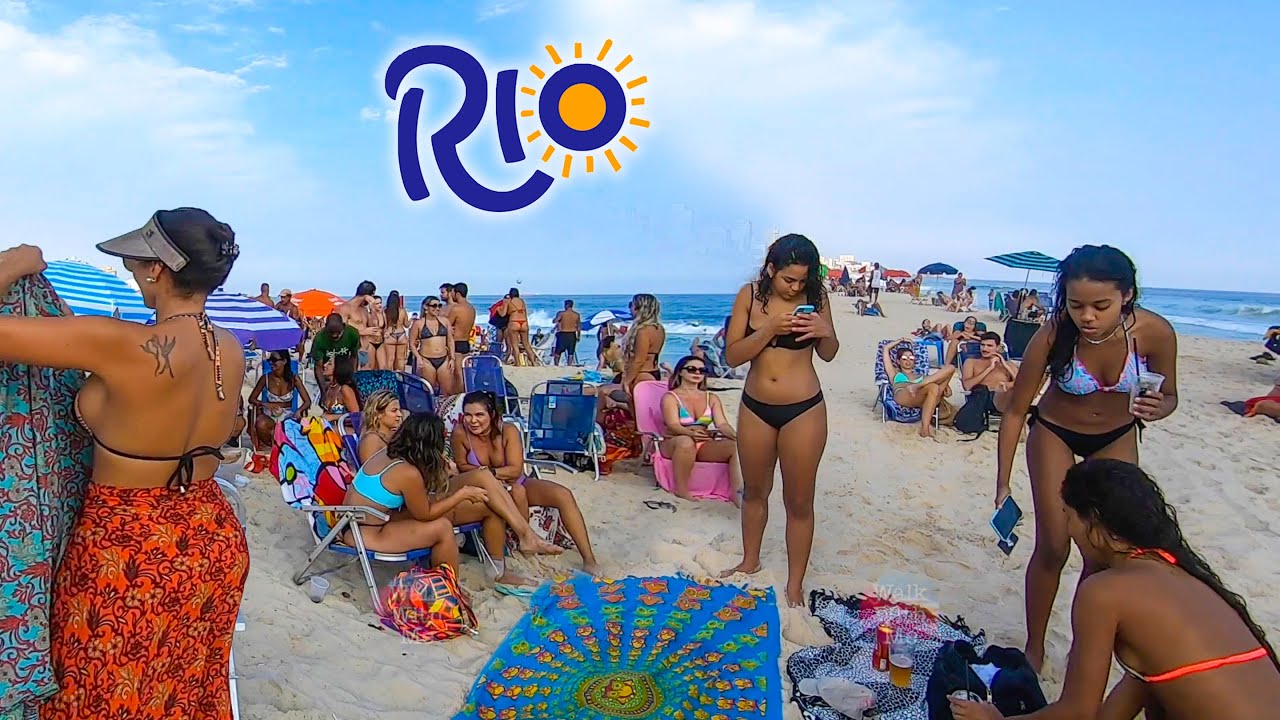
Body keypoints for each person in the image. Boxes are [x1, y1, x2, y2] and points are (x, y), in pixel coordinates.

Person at [0, 209, 249, 717]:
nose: (134, 276)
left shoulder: (120, 344)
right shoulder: (229, 348)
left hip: (127, 545)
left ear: (158, 270)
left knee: (97, 690)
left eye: (136, 266)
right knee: (179, 692)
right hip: (210, 538)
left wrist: (17, 262)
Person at [951, 459, 1280, 720]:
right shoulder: (1178, 573)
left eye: (1068, 516)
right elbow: (1130, 694)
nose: (1067, 529)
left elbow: (1078, 712)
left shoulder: (1104, 592)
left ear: (1092, 520)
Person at [995, 244, 1179, 673]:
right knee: (1054, 545)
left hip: (1115, 435)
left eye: (1101, 305)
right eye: (1077, 305)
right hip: (1056, 432)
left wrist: (1160, 407)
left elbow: (1170, 396)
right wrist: (1003, 483)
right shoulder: (1055, 332)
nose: (1088, 316)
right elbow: (1016, 410)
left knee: (1105, 551)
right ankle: (1034, 648)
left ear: (1127, 295)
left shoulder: (1155, 334)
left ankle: (1087, 648)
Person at [719, 234, 839, 607]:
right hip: (756, 406)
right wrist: (770, 328)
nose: (795, 287)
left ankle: (795, 585)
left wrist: (825, 332)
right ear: (771, 269)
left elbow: (830, 353)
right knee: (755, 491)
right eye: (789, 279)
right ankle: (750, 560)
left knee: (799, 501)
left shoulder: (817, 299)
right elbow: (733, 356)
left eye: (802, 280)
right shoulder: (750, 295)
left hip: (804, 407)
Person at [343, 412, 538, 589]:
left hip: (380, 517)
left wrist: (446, 474)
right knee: (442, 528)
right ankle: (448, 590)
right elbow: (425, 514)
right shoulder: (407, 472)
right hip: (366, 532)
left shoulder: (390, 454)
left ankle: (497, 571)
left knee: (488, 505)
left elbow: (420, 496)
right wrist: (460, 495)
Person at [451, 391, 601, 575]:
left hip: (515, 480)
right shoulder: (460, 433)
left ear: (492, 414)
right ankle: (525, 539)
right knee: (516, 491)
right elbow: (462, 465)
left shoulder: (508, 430)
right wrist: (488, 478)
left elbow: (515, 470)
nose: (472, 421)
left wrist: (488, 473)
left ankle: (589, 558)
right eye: (468, 415)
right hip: (486, 487)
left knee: (563, 494)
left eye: (479, 415)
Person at [660, 355, 742, 505]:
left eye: (702, 370)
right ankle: (682, 489)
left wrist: (735, 436)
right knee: (686, 442)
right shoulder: (671, 397)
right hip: (674, 442)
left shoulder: (711, 397)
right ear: (680, 372)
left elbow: (722, 424)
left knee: (735, 447)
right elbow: (673, 424)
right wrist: (690, 433)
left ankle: (738, 493)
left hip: (703, 442)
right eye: (691, 369)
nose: (697, 373)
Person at [246, 349, 311, 472]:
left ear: (285, 361)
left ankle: (277, 447)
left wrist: (299, 410)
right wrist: (265, 404)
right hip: (269, 415)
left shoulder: (293, 379)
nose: (271, 363)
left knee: (289, 426)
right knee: (261, 423)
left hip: (287, 414)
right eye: (270, 360)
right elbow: (252, 399)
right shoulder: (265, 378)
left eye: (275, 360)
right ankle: (277, 447)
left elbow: (307, 401)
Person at [884, 339, 956, 438]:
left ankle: (916, 386)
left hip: (922, 396)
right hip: (903, 394)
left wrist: (946, 387)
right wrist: (901, 340)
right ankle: (925, 429)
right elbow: (886, 349)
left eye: (911, 358)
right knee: (933, 386)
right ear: (898, 361)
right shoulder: (895, 373)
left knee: (950, 368)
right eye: (904, 358)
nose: (908, 361)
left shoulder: (921, 376)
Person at [961, 331, 1019, 413]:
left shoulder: (1008, 364)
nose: (985, 349)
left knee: (1020, 386)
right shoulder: (971, 362)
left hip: (1004, 397)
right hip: (983, 398)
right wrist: (989, 369)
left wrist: (1005, 365)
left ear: (998, 347)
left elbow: (1021, 384)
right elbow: (967, 386)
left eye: (989, 346)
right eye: (982, 345)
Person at [409, 297, 456, 394]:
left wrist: (452, 358)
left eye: (439, 305)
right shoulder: (418, 323)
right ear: (426, 307)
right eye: (434, 305)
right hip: (426, 360)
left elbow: (450, 341)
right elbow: (412, 343)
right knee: (429, 391)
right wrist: (418, 358)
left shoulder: (445, 321)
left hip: (444, 359)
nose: (437, 308)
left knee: (448, 391)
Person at [621, 293, 666, 394]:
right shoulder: (659, 328)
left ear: (639, 308)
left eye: (631, 305)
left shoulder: (643, 331)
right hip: (653, 371)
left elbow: (639, 360)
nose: (630, 308)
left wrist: (627, 381)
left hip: (642, 374)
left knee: (604, 392)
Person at [309, 313, 360, 394]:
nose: (334, 335)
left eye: (338, 333)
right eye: (331, 333)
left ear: (343, 326)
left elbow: (354, 357)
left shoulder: (352, 333)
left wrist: (353, 379)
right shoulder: (319, 339)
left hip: (344, 369)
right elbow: (318, 367)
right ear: (325, 327)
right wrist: (324, 391)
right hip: (327, 372)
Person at [338, 280, 381, 370]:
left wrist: (373, 309)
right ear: (367, 296)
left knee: (365, 372)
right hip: (352, 350)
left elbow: (373, 325)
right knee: (353, 373)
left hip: (365, 349)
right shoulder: (345, 308)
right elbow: (340, 330)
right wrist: (362, 332)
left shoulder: (364, 309)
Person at [356, 389, 401, 463]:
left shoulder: (394, 434)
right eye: (394, 410)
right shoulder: (371, 440)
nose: (399, 414)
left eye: (399, 410)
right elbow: (370, 472)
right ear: (378, 414)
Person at [319, 354, 361, 423]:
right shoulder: (329, 387)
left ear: (338, 368)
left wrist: (334, 417)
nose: (324, 365)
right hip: (330, 428)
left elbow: (356, 416)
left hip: (345, 429)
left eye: (329, 364)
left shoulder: (345, 389)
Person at [501, 288, 537, 366]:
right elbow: (525, 312)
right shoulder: (522, 301)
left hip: (514, 322)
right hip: (524, 323)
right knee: (526, 344)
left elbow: (503, 314)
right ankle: (533, 362)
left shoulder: (507, 301)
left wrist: (498, 309)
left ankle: (517, 363)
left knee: (514, 345)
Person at [380, 290, 411, 372]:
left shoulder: (385, 311)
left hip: (390, 336)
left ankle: (390, 379)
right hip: (401, 335)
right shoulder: (402, 310)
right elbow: (406, 325)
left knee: (390, 359)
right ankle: (401, 378)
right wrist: (412, 320)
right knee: (400, 360)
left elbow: (383, 325)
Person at [553, 299, 582, 366]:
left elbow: (554, 321)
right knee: (571, 352)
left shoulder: (561, 313)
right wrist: (579, 336)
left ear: (567, 305)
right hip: (572, 334)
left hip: (563, 334)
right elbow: (579, 327)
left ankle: (556, 365)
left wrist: (557, 319)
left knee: (558, 352)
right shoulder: (576, 315)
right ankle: (569, 365)